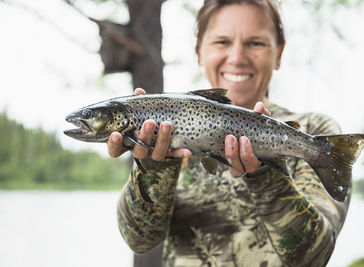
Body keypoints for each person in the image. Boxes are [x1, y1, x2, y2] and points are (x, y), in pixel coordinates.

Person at [108, 0, 349, 266]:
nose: (236, 57)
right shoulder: (164, 133)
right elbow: (139, 240)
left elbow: (314, 257)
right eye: (222, 42)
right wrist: (152, 168)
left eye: (255, 43)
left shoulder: (316, 132)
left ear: (279, 53)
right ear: (199, 51)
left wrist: (265, 175)